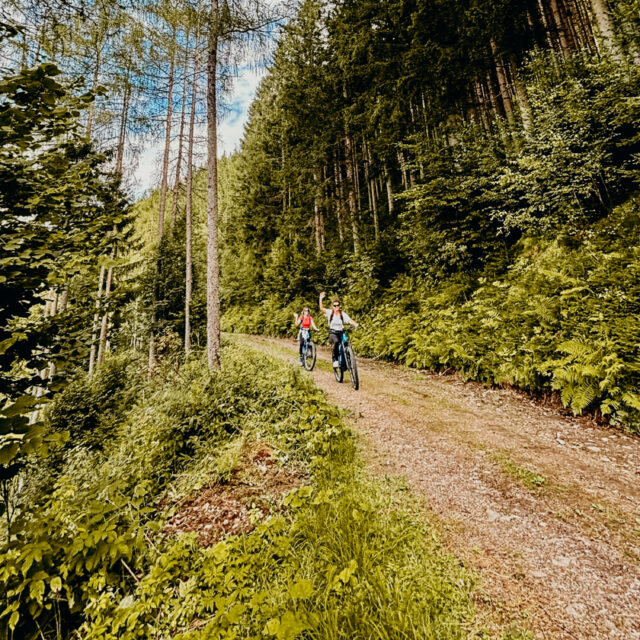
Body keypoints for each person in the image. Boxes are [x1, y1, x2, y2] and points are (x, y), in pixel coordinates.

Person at [319, 292, 359, 369]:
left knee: (346, 343)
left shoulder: (342, 314)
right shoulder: (330, 312)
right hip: (333, 333)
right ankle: (335, 359)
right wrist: (320, 299)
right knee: (336, 342)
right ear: (332, 306)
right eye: (335, 305)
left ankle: (346, 361)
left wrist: (355, 324)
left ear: (339, 306)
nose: (336, 307)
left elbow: (349, 320)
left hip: (341, 332)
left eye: (337, 305)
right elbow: (321, 308)